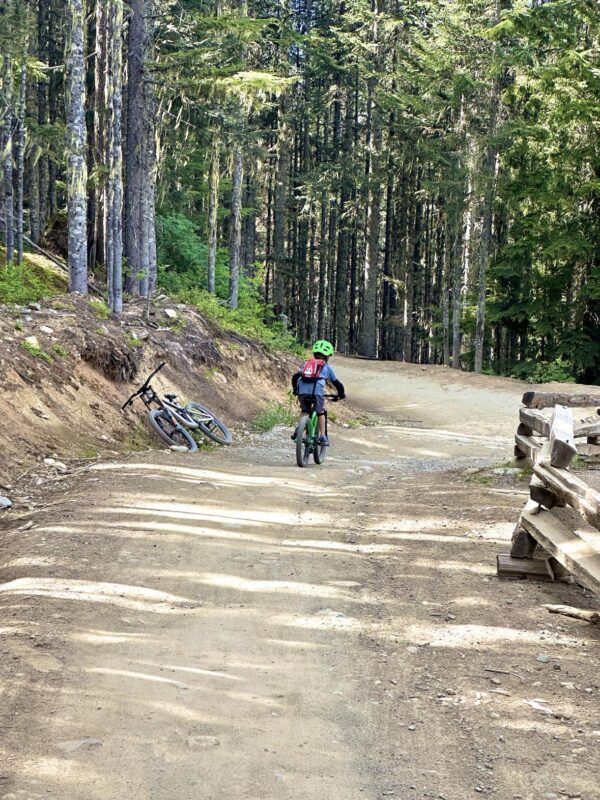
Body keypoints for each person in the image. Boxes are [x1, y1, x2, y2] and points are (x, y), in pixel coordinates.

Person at [291, 340, 345, 446]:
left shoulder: (306, 363)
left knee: (304, 410)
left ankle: (298, 429)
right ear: (327, 357)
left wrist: (295, 389)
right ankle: (323, 436)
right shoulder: (327, 367)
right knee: (320, 411)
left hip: (302, 392)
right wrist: (341, 394)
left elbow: (295, 377)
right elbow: (337, 383)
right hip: (317, 393)